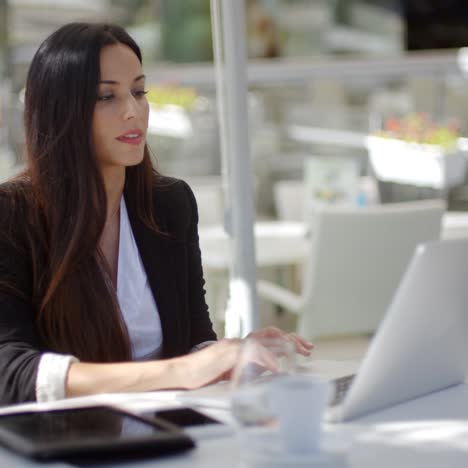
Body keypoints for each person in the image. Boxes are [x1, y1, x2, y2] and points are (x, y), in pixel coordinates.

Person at [0, 23, 313, 405]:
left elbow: (193, 339)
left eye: (138, 91)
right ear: (61, 110)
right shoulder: (12, 216)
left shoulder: (170, 204)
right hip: (66, 443)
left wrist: (235, 354)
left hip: (167, 432)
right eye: (106, 97)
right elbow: (10, 372)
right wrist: (178, 372)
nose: (133, 111)